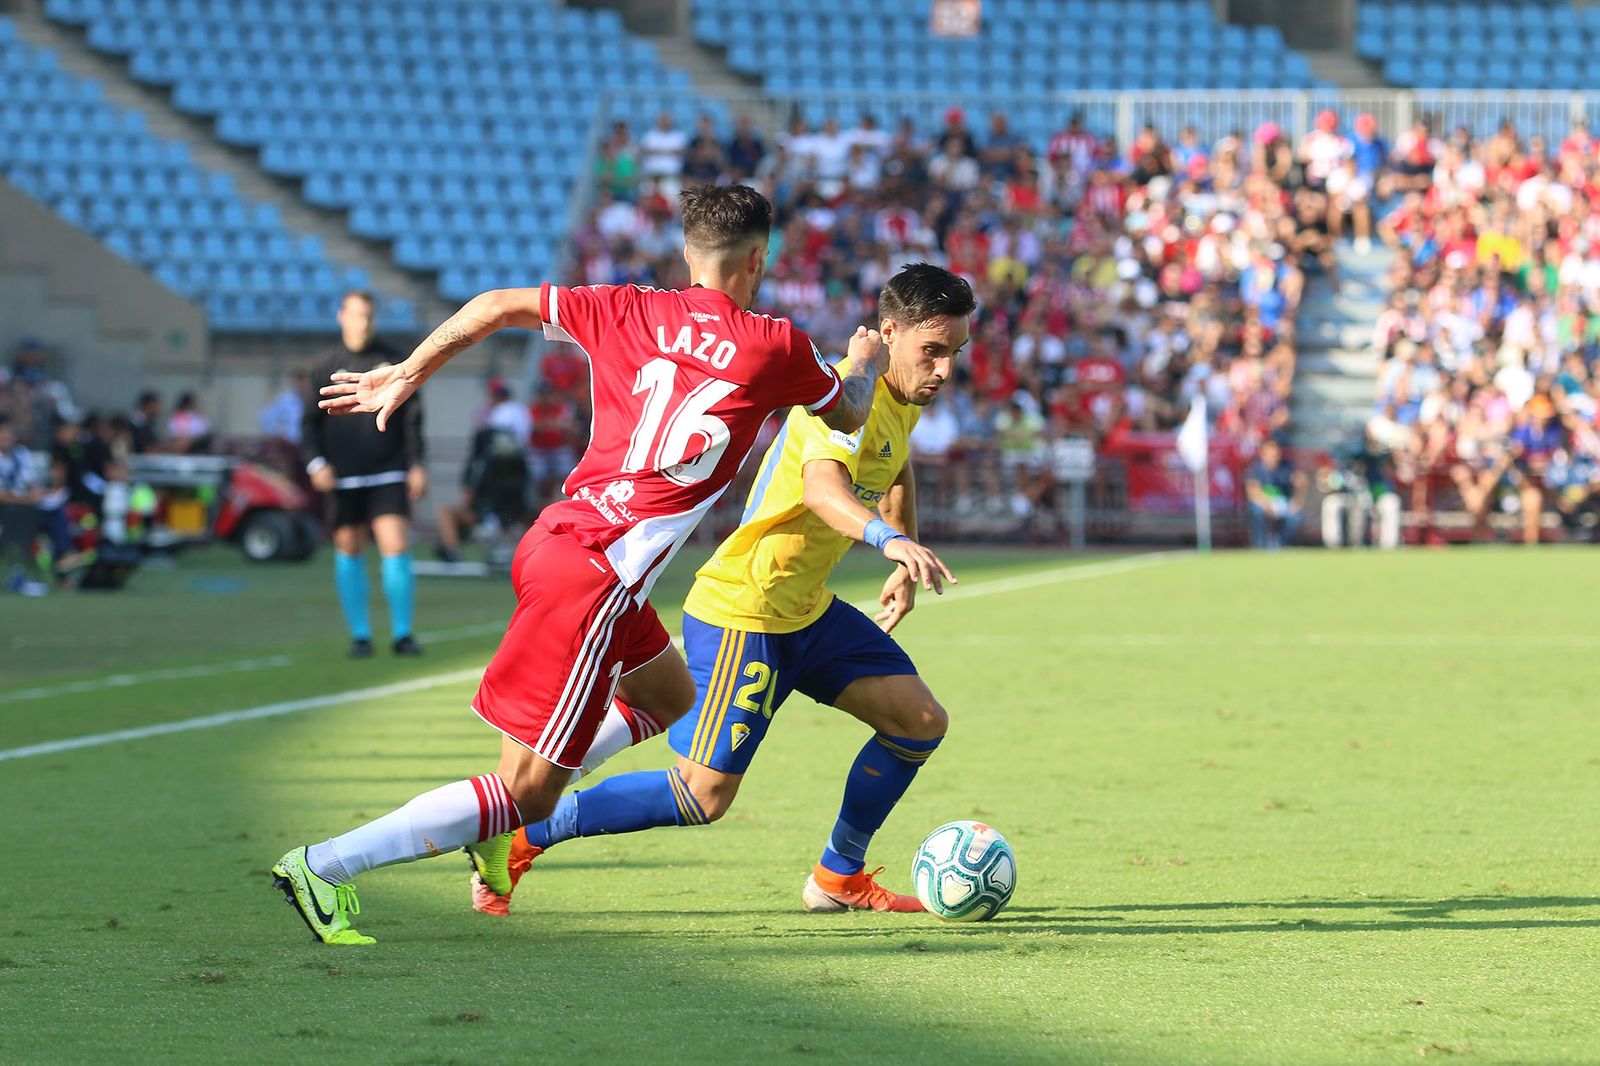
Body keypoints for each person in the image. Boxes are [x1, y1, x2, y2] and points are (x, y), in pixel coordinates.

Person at [270, 184, 885, 945]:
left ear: (687, 254)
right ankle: (325, 864)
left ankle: (492, 831)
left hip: (560, 543)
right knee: (525, 795)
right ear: (759, 259)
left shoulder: (625, 306)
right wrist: (860, 360)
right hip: (596, 577)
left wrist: (409, 370)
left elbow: (495, 304)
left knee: (667, 695)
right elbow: (850, 412)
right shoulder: (777, 345)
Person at [466, 264, 973, 917]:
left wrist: (902, 552)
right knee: (702, 796)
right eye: (933, 351)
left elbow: (896, 462)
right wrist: (887, 541)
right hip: (747, 611)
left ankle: (837, 876)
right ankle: (521, 837)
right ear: (889, 333)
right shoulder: (846, 394)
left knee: (919, 724)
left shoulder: (901, 400)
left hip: (806, 611)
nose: (945, 370)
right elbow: (824, 491)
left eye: (955, 353)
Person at [301, 291, 428, 659]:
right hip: (343, 475)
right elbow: (308, 423)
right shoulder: (325, 364)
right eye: (357, 316)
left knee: (396, 545)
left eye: (369, 316)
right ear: (342, 317)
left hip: (387, 470)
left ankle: (403, 633)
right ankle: (361, 635)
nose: (363, 323)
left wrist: (417, 464)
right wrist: (316, 463)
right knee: (348, 548)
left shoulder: (393, 360)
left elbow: (413, 419)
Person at [0, 413, 48, 596]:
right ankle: (19, 572)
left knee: (55, 513)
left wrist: (36, 493)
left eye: (8, 434)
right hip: (8, 509)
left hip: (24, 508)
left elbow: (33, 483)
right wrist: (25, 498)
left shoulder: (21, 454)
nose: (5, 438)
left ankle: (63, 556)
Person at [1246, 437, 1307, 549]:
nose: (1273, 456)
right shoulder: (1256, 469)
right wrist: (1268, 505)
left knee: (1295, 516)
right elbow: (1253, 493)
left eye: (1275, 453)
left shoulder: (1286, 467)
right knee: (1257, 511)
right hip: (1263, 504)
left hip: (1283, 503)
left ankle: (1281, 545)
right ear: (1263, 454)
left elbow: (1300, 482)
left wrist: (1297, 501)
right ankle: (1260, 545)